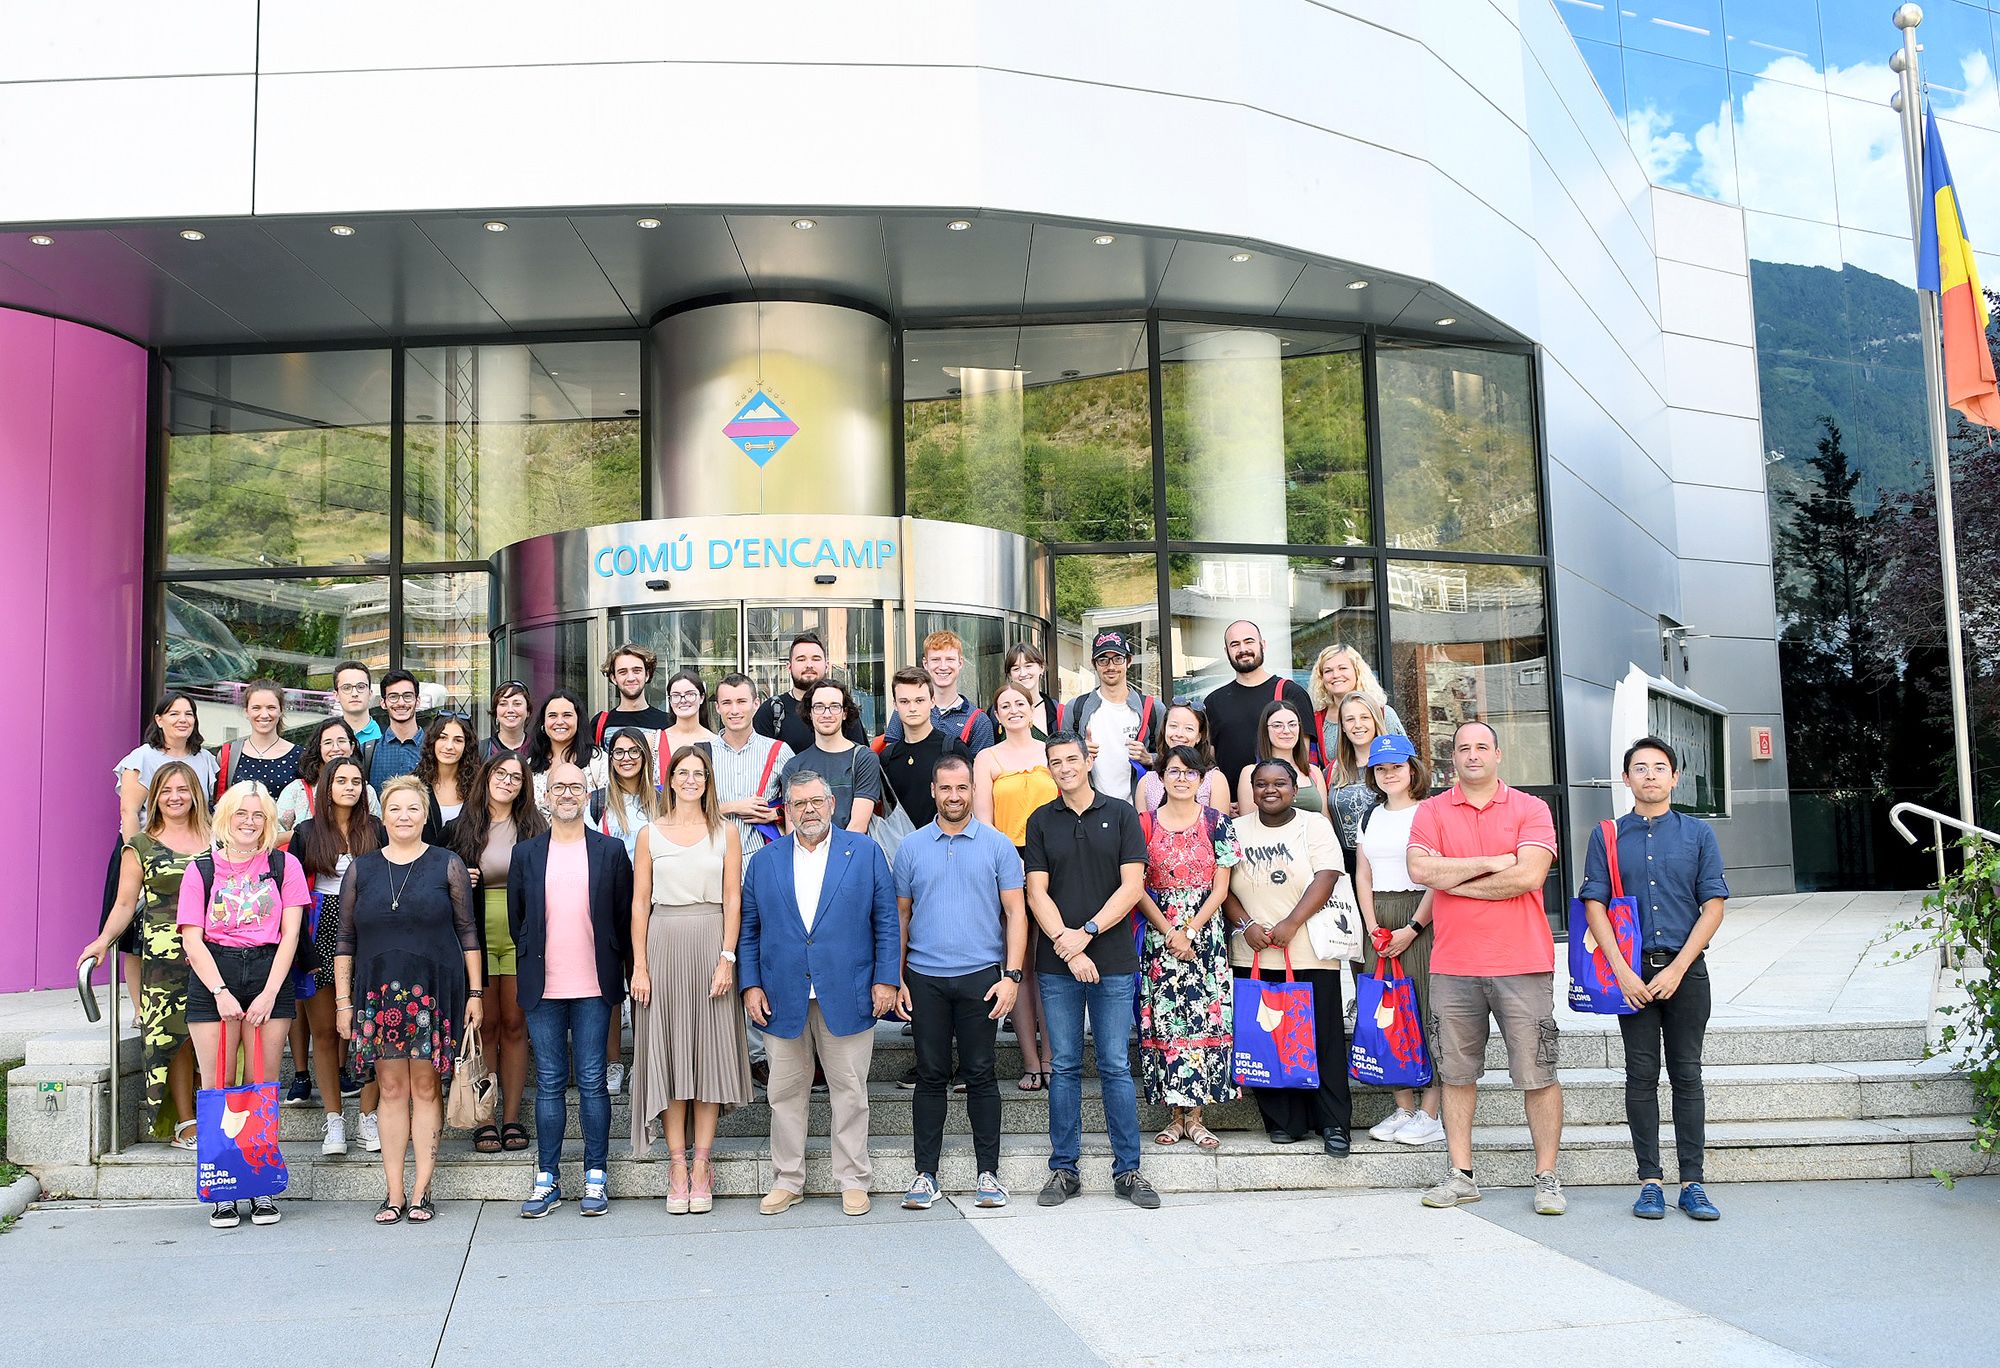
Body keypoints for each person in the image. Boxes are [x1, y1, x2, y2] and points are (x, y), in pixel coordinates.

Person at [1406, 720, 1565, 1215]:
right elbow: (1419, 870)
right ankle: (1461, 1175)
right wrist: (1496, 861)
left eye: (1481, 747)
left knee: (1538, 1072)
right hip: (1453, 964)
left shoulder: (1531, 808)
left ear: (1498, 754)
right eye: (1463, 748)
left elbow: (1529, 875)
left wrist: (1454, 879)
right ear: (1452, 757)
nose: (1472, 755)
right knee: (1455, 1074)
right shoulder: (1432, 810)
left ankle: (1547, 1177)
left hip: (1522, 962)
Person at [1580, 736, 1729, 1223]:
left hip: (1686, 971)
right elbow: (1594, 904)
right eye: (1640, 768)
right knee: (1641, 1075)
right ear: (1626, 779)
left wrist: (1679, 967)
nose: (1650, 775)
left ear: (1675, 777)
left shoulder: (1698, 834)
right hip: (1632, 973)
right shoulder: (1607, 836)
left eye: (1659, 767)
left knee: (1687, 1074)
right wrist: (1622, 973)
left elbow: (1713, 905)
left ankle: (1692, 1184)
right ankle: (1649, 1181)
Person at [739, 770, 901, 1216]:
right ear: (786, 811)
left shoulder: (865, 853)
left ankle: (853, 1179)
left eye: (816, 801)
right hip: (781, 994)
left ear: (832, 804)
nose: (808, 810)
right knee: (784, 1094)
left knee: (849, 1091)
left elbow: (886, 921)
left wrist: (886, 979)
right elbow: (749, 930)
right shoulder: (764, 861)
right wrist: (750, 985)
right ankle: (787, 1180)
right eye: (798, 803)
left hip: (848, 991)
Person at [335, 775, 482, 1225]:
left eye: (413, 808)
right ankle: (394, 1192)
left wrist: (476, 993)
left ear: (424, 815)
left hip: (433, 993)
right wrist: (342, 1002)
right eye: (395, 808)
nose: (404, 816)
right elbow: (345, 940)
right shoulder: (361, 869)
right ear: (382, 815)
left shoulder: (447, 864)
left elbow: (468, 932)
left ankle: (422, 1191)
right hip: (377, 994)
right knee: (391, 1089)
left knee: (426, 1087)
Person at [1024, 732, 1160, 1209]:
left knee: (1115, 1065)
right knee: (1063, 1065)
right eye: (1055, 762)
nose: (1064, 768)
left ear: (1087, 762)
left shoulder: (1121, 814)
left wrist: (1087, 933)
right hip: (1058, 965)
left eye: (1071, 759)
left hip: (1113, 960)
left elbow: (1132, 887)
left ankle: (1128, 1171)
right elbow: (1036, 892)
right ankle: (1064, 1170)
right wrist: (1068, 946)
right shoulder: (1041, 821)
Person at [895, 753, 1027, 1212]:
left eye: (962, 787)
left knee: (981, 1074)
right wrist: (897, 978)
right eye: (946, 788)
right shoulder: (911, 847)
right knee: (930, 1075)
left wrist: (1012, 976)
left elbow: (1016, 913)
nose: (954, 796)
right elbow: (901, 917)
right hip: (925, 977)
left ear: (973, 790)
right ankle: (925, 1175)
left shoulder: (998, 845)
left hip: (982, 978)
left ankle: (988, 1174)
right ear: (933, 791)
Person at [178, 780, 308, 1229]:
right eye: (241, 813)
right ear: (225, 817)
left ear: (268, 821)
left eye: (258, 815)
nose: (249, 822)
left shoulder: (284, 865)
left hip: (269, 971)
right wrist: (220, 992)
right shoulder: (201, 869)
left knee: (261, 1085)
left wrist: (270, 993)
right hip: (215, 973)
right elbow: (191, 938)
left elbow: (291, 934)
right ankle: (223, 1190)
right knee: (219, 1085)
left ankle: (259, 1184)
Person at [629, 745, 753, 1214]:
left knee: (707, 1059)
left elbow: (733, 899)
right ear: (670, 778)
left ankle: (702, 1165)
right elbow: (639, 903)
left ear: (708, 781)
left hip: (710, 945)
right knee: (669, 1056)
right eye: (683, 772)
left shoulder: (726, 832)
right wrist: (640, 966)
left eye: (699, 773)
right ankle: (676, 1165)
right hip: (663, 945)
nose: (691, 780)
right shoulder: (649, 833)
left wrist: (727, 958)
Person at [510, 762, 635, 1219]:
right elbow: (519, 920)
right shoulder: (526, 853)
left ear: (588, 794)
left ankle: (595, 1176)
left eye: (575, 787)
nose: (567, 793)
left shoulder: (610, 850)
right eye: (559, 787)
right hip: (543, 984)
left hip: (593, 984)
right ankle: (547, 1179)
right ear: (546, 796)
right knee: (548, 1081)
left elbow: (623, 916)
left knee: (592, 1080)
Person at [1223, 759, 1353, 1156]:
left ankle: (1333, 1123)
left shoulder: (1314, 825)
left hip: (1308, 951)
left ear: (1295, 790)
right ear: (1252, 790)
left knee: (1322, 1038)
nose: (1270, 790)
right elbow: (1222, 886)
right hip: (1255, 952)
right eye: (1261, 783)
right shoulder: (1235, 829)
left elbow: (1327, 876)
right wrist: (1246, 924)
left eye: (1279, 783)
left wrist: (1292, 923)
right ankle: (1284, 1121)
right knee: (1267, 1038)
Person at [79, 761, 211, 1148]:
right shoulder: (140, 845)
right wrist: (103, 941)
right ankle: (185, 1121)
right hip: (164, 959)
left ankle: (219, 1115)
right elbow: (124, 904)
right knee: (175, 1039)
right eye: (166, 791)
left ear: (195, 794)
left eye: (182, 789)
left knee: (215, 1034)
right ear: (154, 798)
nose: (175, 797)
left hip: (216, 951)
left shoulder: (218, 837)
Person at [1135, 745, 1242, 1152]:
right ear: (1161, 777)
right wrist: (1169, 931)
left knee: (1204, 1021)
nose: (1182, 778)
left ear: (1201, 779)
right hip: (1160, 934)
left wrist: (1191, 930)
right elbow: (1136, 886)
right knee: (1166, 1023)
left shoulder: (1217, 822)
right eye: (1174, 771)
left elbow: (1221, 887)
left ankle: (1197, 1118)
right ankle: (1174, 1116)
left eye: (1190, 772)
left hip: (1205, 935)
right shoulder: (1143, 823)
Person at [447, 752, 547, 1154]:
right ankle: (485, 1117)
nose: (507, 781)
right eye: (500, 773)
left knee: (515, 1025)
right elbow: (438, 877)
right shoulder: (460, 827)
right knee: (484, 1026)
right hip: (477, 937)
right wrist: (460, 874)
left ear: (524, 786)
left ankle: (511, 1117)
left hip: (521, 935)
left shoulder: (535, 826)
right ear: (487, 777)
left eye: (516, 777)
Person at [289, 757, 387, 1155]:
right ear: (326, 786)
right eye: (341, 780)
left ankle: (368, 1115)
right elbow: (293, 892)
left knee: (372, 1028)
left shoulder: (375, 829)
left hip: (368, 928)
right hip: (320, 927)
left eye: (357, 781)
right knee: (325, 1031)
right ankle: (334, 1119)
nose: (349, 787)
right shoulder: (306, 832)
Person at [105, 692, 220, 1019]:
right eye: (173, 713)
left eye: (188, 713)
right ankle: (140, 1009)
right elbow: (129, 813)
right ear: (158, 719)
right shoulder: (142, 758)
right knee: (137, 936)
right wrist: (140, 857)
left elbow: (208, 812)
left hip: (193, 854)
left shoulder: (205, 759)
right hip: (145, 853)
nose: (182, 720)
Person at [1355, 735, 1444, 1148]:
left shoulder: (1430, 812)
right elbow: (1363, 873)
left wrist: (1413, 928)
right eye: (1380, 768)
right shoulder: (1370, 815)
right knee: (1386, 1012)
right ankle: (1404, 1106)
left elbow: (1437, 875)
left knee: (1425, 1008)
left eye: (1396, 766)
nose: (1389, 774)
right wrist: (1373, 925)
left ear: (1412, 768)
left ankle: (1431, 1112)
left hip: (1419, 916)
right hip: (1379, 919)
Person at [973, 682, 1057, 1091]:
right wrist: (1012, 864)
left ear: (1031, 707)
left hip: (1055, 863)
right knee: (1019, 961)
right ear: (997, 714)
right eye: (1004, 705)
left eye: (1019, 702)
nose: (1013, 709)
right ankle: (1030, 1060)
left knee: (1052, 964)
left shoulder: (1051, 751)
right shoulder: (987, 757)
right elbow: (984, 821)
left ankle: (1053, 1057)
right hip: (1008, 862)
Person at [711, 673, 793, 1085]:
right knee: (723, 953)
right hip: (714, 864)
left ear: (755, 703)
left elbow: (796, 808)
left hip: (763, 862)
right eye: (726, 703)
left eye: (741, 701)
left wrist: (775, 814)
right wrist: (733, 806)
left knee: (763, 951)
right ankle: (732, 1051)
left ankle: (764, 1049)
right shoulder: (704, 751)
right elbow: (682, 804)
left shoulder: (779, 751)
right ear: (717, 707)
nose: (735, 710)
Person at [590, 726, 661, 1095]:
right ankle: (613, 1062)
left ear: (646, 757)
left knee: (643, 981)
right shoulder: (597, 802)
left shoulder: (663, 800)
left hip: (652, 902)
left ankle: (644, 1062)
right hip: (608, 901)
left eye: (635, 751)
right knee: (610, 985)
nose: (627, 758)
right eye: (619, 752)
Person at [1203, 620, 1315, 788]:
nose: (1243, 649)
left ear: (1263, 645)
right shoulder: (1213, 702)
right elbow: (1210, 761)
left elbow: (1302, 755)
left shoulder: (1291, 693)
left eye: (1249, 641)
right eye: (1235, 644)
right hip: (1229, 801)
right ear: (1227, 652)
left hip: (1279, 798)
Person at [1063, 629, 1164, 806]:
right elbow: (1061, 758)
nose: (1111, 666)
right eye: (1103, 660)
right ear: (1094, 664)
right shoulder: (1076, 708)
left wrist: (1150, 758)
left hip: (1139, 809)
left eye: (1118, 659)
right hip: (1090, 809)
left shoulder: (1153, 709)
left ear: (1128, 661)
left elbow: (1173, 759)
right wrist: (1078, 751)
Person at [779, 679, 883, 834]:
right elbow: (793, 829)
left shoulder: (864, 759)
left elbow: (858, 826)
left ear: (844, 713)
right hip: (806, 849)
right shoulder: (794, 767)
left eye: (834, 706)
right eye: (819, 707)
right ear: (810, 713)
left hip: (850, 848)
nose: (826, 714)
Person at [879, 667, 972, 833]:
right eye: (904, 701)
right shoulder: (887, 757)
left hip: (948, 841)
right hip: (901, 845)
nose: (912, 708)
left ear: (932, 701)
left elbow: (971, 803)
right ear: (895, 705)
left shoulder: (953, 749)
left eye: (919, 700)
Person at [881, 629, 997, 752]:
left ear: (960, 663)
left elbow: (981, 763)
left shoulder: (979, 721)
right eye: (936, 659)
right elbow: (892, 755)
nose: (943, 666)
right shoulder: (908, 708)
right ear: (925, 664)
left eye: (950, 659)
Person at [755, 630, 868, 753]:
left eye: (816, 659)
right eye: (801, 659)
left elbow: (860, 757)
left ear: (826, 665)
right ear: (789, 666)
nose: (809, 665)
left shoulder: (842, 708)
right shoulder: (771, 711)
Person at [275, 716, 378, 836]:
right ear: (319, 748)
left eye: (341, 741)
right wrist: (303, 834)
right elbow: (273, 836)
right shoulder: (297, 790)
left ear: (352, 747)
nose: (336, 748)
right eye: (328, 743)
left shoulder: (365, 791)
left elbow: (377, 834)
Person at [1308, 643, 1404, 767]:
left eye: (1342, 668)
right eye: (1328, 671)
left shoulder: (1383, 713)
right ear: (1321, 678)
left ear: (1357, 671)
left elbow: (1405, 760)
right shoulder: (1317, 720)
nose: (1335, 675)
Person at [1235, 699, 1329, 818]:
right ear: (1265, 730)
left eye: (1292, 724)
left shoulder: (1314, 772)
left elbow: (1326, 819)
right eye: (1278, 725)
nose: (1286, 731)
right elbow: (1249, 822)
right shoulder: (1250, 772)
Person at [1134, 701, 1230, 817]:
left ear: (1199, 736)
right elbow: (1142, 826)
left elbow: (1220, 825)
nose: (1179, 734)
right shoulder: (1146, 782)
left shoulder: (1215, 779)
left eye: (1189, 728)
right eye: (1173, 726)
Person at [1327, 693, 1390, 864]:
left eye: (1364, 717)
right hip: (1345, 864)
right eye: (1350, 719)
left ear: (1375, 720)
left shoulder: (1396, 766)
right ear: (1342, 726)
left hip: (1387, 861)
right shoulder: (1332, 771)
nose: (1358, 725)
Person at [215, 679, 301, 800]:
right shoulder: (229, 754)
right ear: (246, 711)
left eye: (271, 707)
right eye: (256, 708)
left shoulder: (300, 756)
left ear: (281, 710)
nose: (264, 714)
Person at [528, 689, 608, 815]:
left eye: (567, 715)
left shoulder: (599, 761)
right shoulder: (530, 765)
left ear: (578, 720)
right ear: (543, 722)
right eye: (552, 716)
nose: (560, 722)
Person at [417, 713, 481, 841]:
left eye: (458, 740)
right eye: (443, 737)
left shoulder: (479, 786)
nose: (449, 746)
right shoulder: (414, 784)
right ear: (432, 741)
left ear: (467, 746)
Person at [592, 642, 673, 739]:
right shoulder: (600, 723)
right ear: (613, 678)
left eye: (636, 671)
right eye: (623, 672)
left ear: (647, 675)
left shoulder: (667, 722)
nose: (630, 678)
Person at [365, 670, 425, 788]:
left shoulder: (434, 748)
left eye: (407, 696)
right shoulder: (369, 751)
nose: (401, 703)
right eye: (393, 697)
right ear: (383, 703)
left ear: (417, 701)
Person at [1004, 641, 1062, 738]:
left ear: (1041, 668)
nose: (1023, 673)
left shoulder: (1058, 711)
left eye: (1028, 666)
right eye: (1016, 669)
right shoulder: (999, 710)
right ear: (1010, 675)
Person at [661, 669, 719, 757]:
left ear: (702, 697)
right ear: (670, 700)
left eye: (690, 694)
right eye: (676, 695)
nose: (683, 700)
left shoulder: (715, 742)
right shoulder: (655, 741)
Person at [332, 659, 381, 746]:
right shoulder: (327, 738)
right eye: (347, 688)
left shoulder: (385, 735)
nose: (354, 694)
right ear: (336, 695)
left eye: (361, 687)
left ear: (370, 693)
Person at [483, 680, 532, 762]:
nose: (510, 710)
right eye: (503, 704)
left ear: (528, 711)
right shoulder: (481, 751)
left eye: (517, 704)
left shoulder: (539, 750)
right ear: (495, 712)